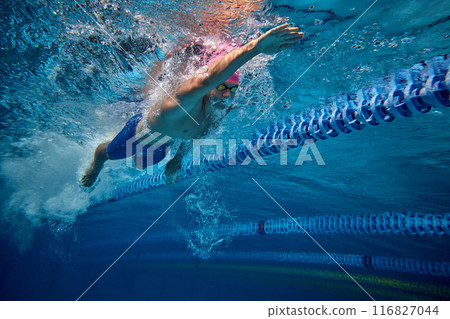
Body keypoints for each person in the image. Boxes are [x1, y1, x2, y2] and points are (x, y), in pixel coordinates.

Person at [81, 23, 303, 187]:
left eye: (232, 90)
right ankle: (96, 162)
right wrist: (255, 48)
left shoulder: (221, 108)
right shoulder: (184, 100)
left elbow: (193, 136)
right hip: (140, 135)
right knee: (109, 153)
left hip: (162, 145)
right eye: (222, 87)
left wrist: (178, 160)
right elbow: (209, 79)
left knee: (141, 166)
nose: (227, 96)